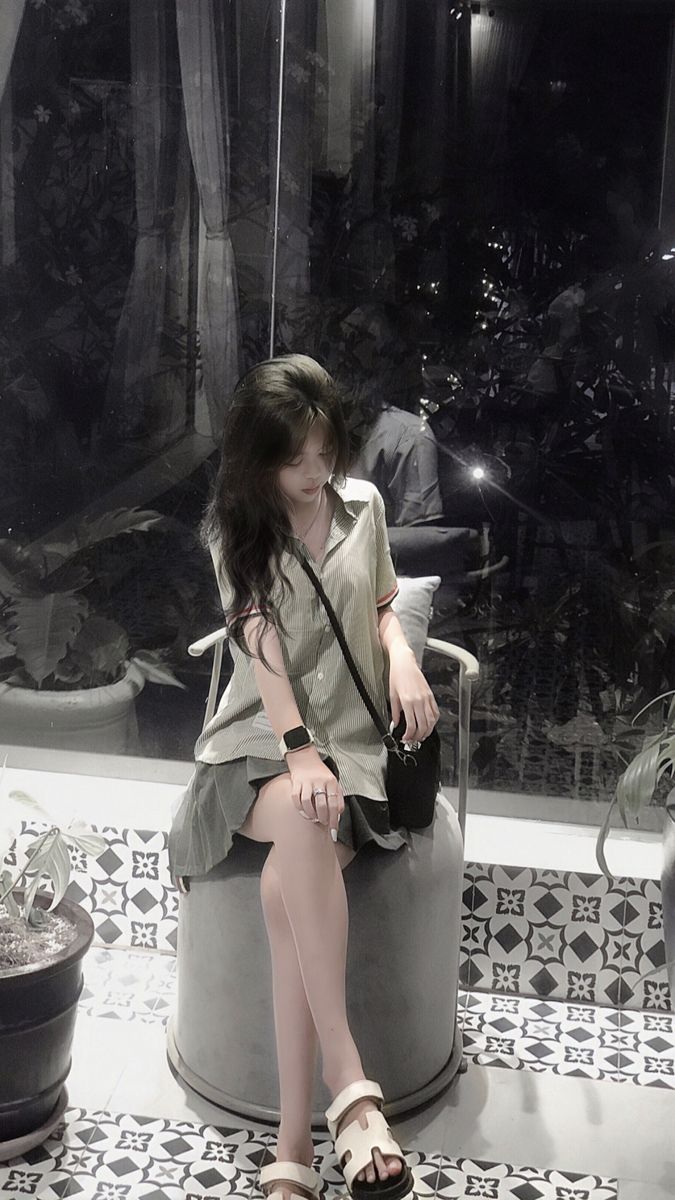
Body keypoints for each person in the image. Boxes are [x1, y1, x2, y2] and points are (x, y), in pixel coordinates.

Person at [168, 353, 439, 1200]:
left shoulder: (365, 507)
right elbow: (259, 640)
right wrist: (296, 747)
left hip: (352, 744)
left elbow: (383, 603)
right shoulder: (235, 527)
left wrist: (403, 659)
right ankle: (349, 1088)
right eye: (295, 459)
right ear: (259, 458)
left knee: (283, 889)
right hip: (258, 738)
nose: (315, 472)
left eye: (325, 452)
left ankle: (293, 1145)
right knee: (298, 807)